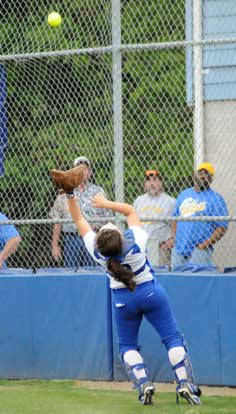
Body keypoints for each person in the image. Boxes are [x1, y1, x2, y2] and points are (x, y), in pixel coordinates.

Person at [64, 187, 201, 405]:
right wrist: (105, 203)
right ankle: (184, 383)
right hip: (150, 292)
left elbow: (78, 217)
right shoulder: (135, 241)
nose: (108, 225)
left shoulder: (98, 252)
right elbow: (129, 211)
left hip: (123, 300)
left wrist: (70, 195)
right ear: (119, 236)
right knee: (173, 339)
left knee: (127, 346)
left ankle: (143, 383)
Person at [49, 156, 111, 267]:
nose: (82, 171)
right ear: (73, 172)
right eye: (78, 168)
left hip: (94, 239)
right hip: (72, 240)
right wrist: (55, 245)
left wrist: (107, 243)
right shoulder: (65, 191)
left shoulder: (98, 191)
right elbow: (57, 220)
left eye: (85, 168)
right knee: (71, 274)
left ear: (90, 173)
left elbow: (107, 219)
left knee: (94, 273)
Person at [171, 162, 228, 268]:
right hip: (179, 249)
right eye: (200, 172)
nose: (202, 175)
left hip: (200, 251)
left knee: (197, 282)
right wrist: (175, 240)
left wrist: (204, 245)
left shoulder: (216, 199)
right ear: (194, 175)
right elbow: (174, 219)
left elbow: (222, 227)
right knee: (177, 281)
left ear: (211, 179)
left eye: (207, 174)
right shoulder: (184, 195)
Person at [134, 169, 175, 267]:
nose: (152, 183)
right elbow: (134, 223)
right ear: (145, 184)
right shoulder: (139, 200)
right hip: (141, 247)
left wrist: (172, 240)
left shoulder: (170, 201)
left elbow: (176, 224)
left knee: (161, 276)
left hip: (160, 247)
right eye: (148, 180)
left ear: (161, 183)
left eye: (155, 180)